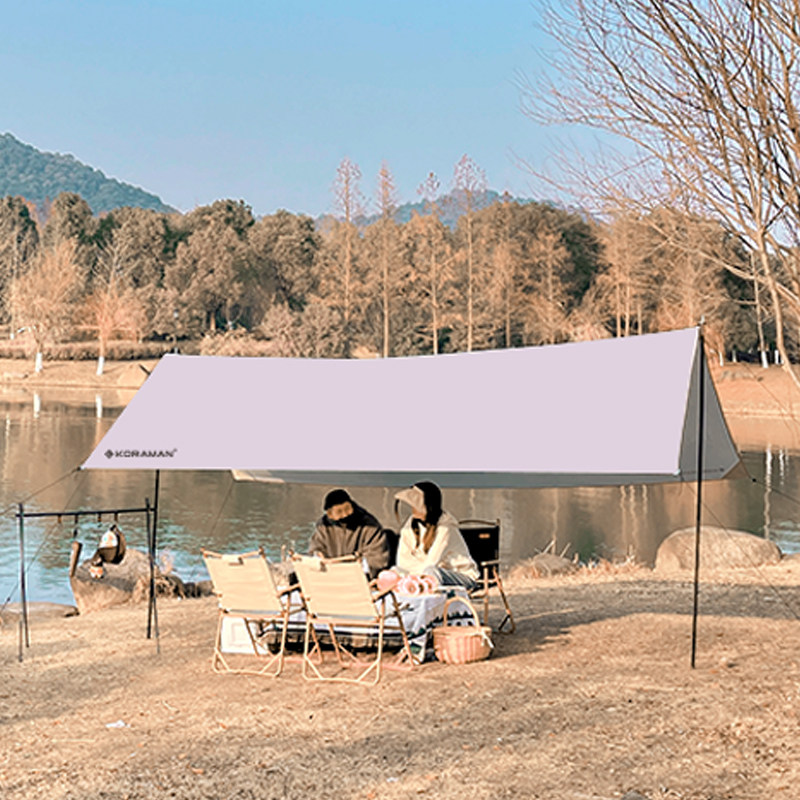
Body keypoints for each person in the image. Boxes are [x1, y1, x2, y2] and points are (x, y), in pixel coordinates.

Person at [393, 481, 478, 589]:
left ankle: (426, 596)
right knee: (394, 571)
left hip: (460, 576)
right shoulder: (411, 524)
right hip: (422, 572)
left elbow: (432, 561)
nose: (413, 508)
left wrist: (412, 574)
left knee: (431, 573)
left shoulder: (445, 527)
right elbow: (402, 561)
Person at [308, 489, 390, 580]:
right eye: (339, 511)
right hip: (330, 576)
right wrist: (318, 558)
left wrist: (363, 563)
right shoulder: (323, 526)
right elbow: (315, 549)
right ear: (329, 513)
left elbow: (378, 557)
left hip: (361, 577)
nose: (344, 515)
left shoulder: (369, 525)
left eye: (347, 509)